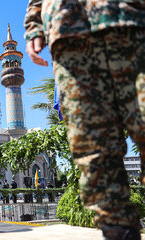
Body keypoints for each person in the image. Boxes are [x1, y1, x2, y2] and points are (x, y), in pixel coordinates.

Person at [24, 1, 145, 239]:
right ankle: (118, 229)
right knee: (92, 144)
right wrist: (34, 27)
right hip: (70, 36)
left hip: (129, 22)